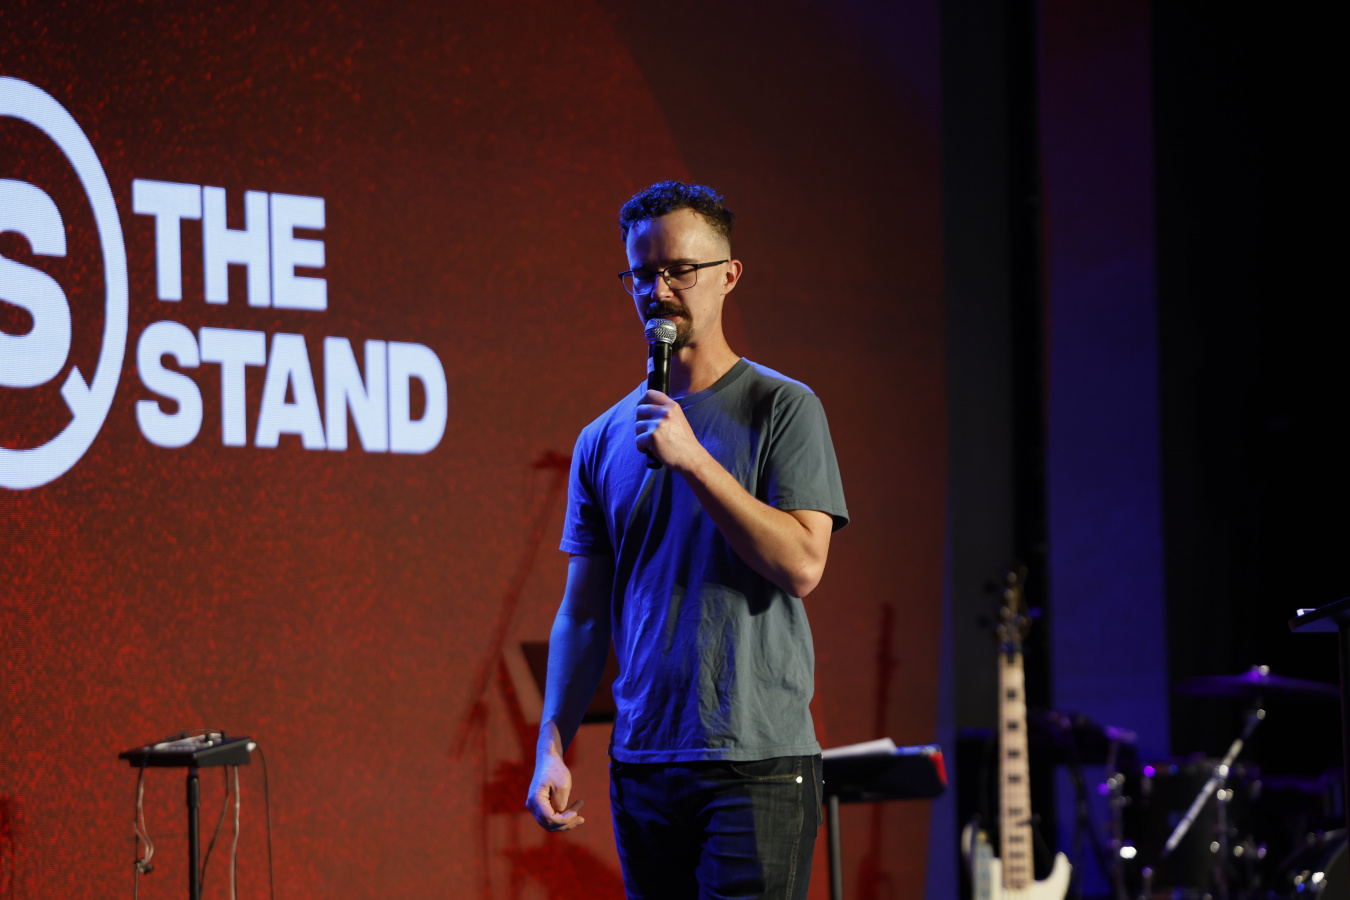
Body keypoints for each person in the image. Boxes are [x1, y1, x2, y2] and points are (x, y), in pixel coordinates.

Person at [526, 181, 849, 899]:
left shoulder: (783, 407)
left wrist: (695, 460)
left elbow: (802, 564)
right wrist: (551, 744)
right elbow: (583, 614)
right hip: (643, 762)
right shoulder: (602, 438)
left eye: (680, 270)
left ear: (729, 275)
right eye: (642, 273)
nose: (658, 291)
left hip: (754, 764)